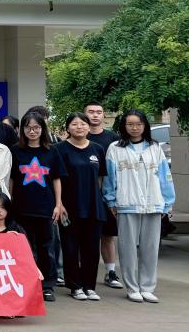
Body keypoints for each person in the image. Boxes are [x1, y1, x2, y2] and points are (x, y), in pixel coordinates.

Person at [104, 110, 175, 303]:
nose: (134, 128)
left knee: (150, 248)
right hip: (127, 203)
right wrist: (111, 200)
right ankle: (132, 287)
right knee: (127, 248)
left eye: (139, 124)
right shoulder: (115, 148)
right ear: (124, 126)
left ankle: (147, 287)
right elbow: (110, 178)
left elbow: (165, 177)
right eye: (130, 124)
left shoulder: (155, 147)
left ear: (145, 126)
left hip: (154, 203)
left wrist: (167, 202)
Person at [10, 111, 66, 303]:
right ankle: (27, 283)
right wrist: (11, 202)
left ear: (43, 129)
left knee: (47, 248)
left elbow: (57, 179)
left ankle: (47, 286)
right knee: (25, 249)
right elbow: (12, 180)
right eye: (28, 127)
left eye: (36, 127)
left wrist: (58, 204)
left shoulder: (52, 151)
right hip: (22, 207)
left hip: (46, 208)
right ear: (22, 130)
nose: (32, 131)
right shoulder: (15, 150)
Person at [56, 112, 108, 301]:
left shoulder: (97, 149)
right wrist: (59, 203)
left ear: (88, 127)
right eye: (75, 124)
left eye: (83, 124)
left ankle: (89, 286)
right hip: (69, 206)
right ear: (68, 128)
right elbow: (56, 178)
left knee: (92, 249)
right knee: (70, 248)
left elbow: (100, 178)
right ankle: (75, 286)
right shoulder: (59, 149)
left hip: (93, 206)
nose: (79, 127)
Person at [85, 101, 123, 291]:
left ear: (103, 115)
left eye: (98, 112)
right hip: (85, 196)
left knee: (108, 235)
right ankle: (81, 274)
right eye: (91, 112)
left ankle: (111, 272)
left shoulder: (114, 139)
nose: (95, 115)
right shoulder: (78, 136)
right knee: (84, 237)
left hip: (108, 196)